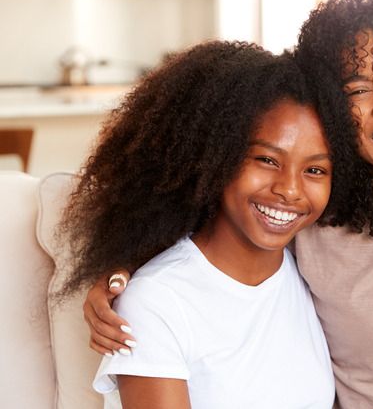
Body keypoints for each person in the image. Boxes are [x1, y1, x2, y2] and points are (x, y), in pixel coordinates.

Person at [81, 0, 373, 408]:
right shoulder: (313, 220)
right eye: (357, 89)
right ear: (333, 111)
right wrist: (122, 269)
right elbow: (214, 232)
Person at [55, 40, 346, 408]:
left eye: (315, 170)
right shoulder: (156, 303)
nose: (290, 190)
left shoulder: (307, 271)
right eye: (266, 160)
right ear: (214, 155)